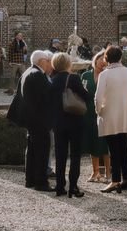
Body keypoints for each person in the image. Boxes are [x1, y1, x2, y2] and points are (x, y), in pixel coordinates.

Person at [95, 46, 127, 193]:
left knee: (113, 149)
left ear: (107, 58)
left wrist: (99, 111)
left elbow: (98, 97)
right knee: (124, 148)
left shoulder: (104, 74)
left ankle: (115, 181)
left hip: (109, 115)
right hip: (126, 114)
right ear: (120, 57)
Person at [48, 52, 89, 197]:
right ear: (68, 64)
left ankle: (60, 187)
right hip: (75, 121)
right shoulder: (73, 78)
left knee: (60, 156)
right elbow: (86, 97)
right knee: (75, 155)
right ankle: (73, 187)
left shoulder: (51, 79)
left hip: (58, 122)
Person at [20, 50, 54, 191]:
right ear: (41, 61)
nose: (49, 63)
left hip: (31, 119)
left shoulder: (27, 72)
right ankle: (41, 182)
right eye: (47, 60)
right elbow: (48, 97)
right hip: (40, 120)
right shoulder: (38, 75)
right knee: (41, 151)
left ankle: (30, 180)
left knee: (32, 150)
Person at [81, 51, 111, 183]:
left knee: (105, 143)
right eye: (100, 58)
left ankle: (108, 174)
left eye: (104, 59)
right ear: (95, 59)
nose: (101, 61)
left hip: (104, 112)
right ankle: (95, 172)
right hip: (88, 113)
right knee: (92, 141)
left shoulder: (108, 75)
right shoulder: (86, 75)